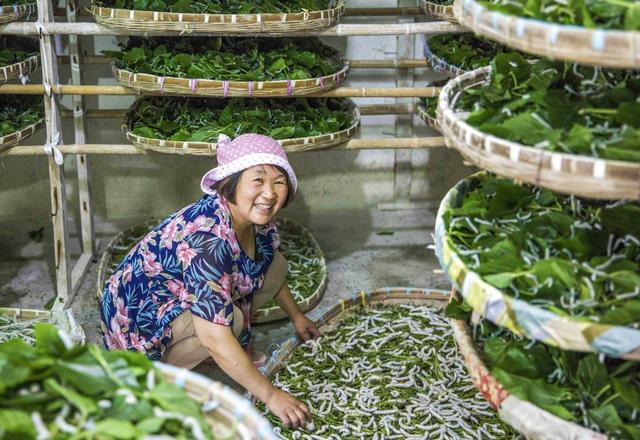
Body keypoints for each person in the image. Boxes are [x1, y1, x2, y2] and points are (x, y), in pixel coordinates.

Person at [100, 133, 320, 428]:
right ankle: (154, 380)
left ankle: (206, 353)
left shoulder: (257, 221)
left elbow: (271, 270)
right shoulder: (208, 238)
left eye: (278, 182)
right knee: (229, 325)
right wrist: (271, 396)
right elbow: (214, 337)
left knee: (275, 265)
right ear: (231, 184)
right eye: (257, 180)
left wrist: (297, 317)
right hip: (139, 317)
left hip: (178, 298)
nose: (269, 193)